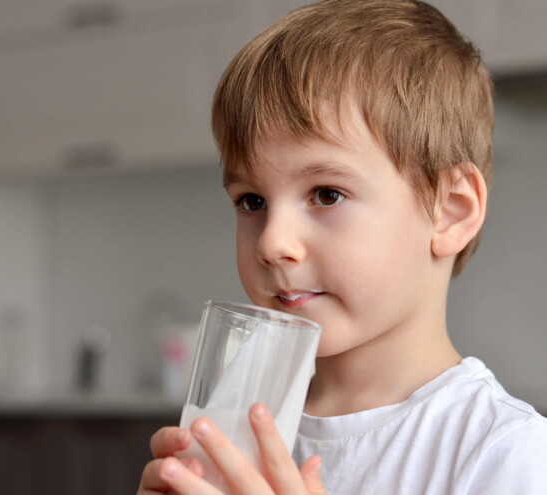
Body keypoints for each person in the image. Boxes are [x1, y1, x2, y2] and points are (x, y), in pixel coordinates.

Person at [137, 1, 547, 493]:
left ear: (450, 211)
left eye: (327, 194)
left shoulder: (504, 453)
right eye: (252, 201)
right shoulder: (235, 419)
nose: (272, 242)